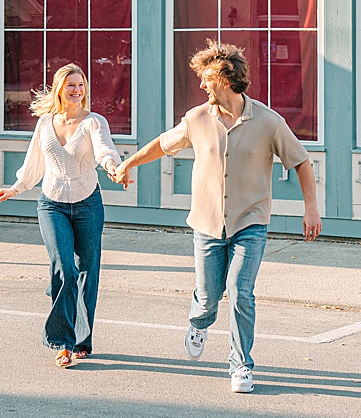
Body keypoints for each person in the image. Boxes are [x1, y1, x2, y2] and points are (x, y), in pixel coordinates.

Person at [113, 39, 321, 393]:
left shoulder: (268, 121)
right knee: (209, 297)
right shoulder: (196, 119)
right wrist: (127, 163)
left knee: (240, 293)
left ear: (224, 78)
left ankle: (241, 366)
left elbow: (300, 160)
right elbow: (163, 144)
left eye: (206, 78)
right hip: (207, 223)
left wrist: (311, 207)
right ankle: (199, 322)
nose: (202, 84)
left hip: (250, 223)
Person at [0, 63, 125, 368]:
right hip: (51, 204)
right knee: (64, 269)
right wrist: (16, 188)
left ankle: (82, 340)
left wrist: (112, 168)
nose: (77, 90)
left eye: (81, 85)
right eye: (71, 85)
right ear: (59, 89)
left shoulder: (94, 122)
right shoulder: (45, 123)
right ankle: (63, 342)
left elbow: (105, 151)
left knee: (86, 272)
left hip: (88, 205)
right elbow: (34, 163)